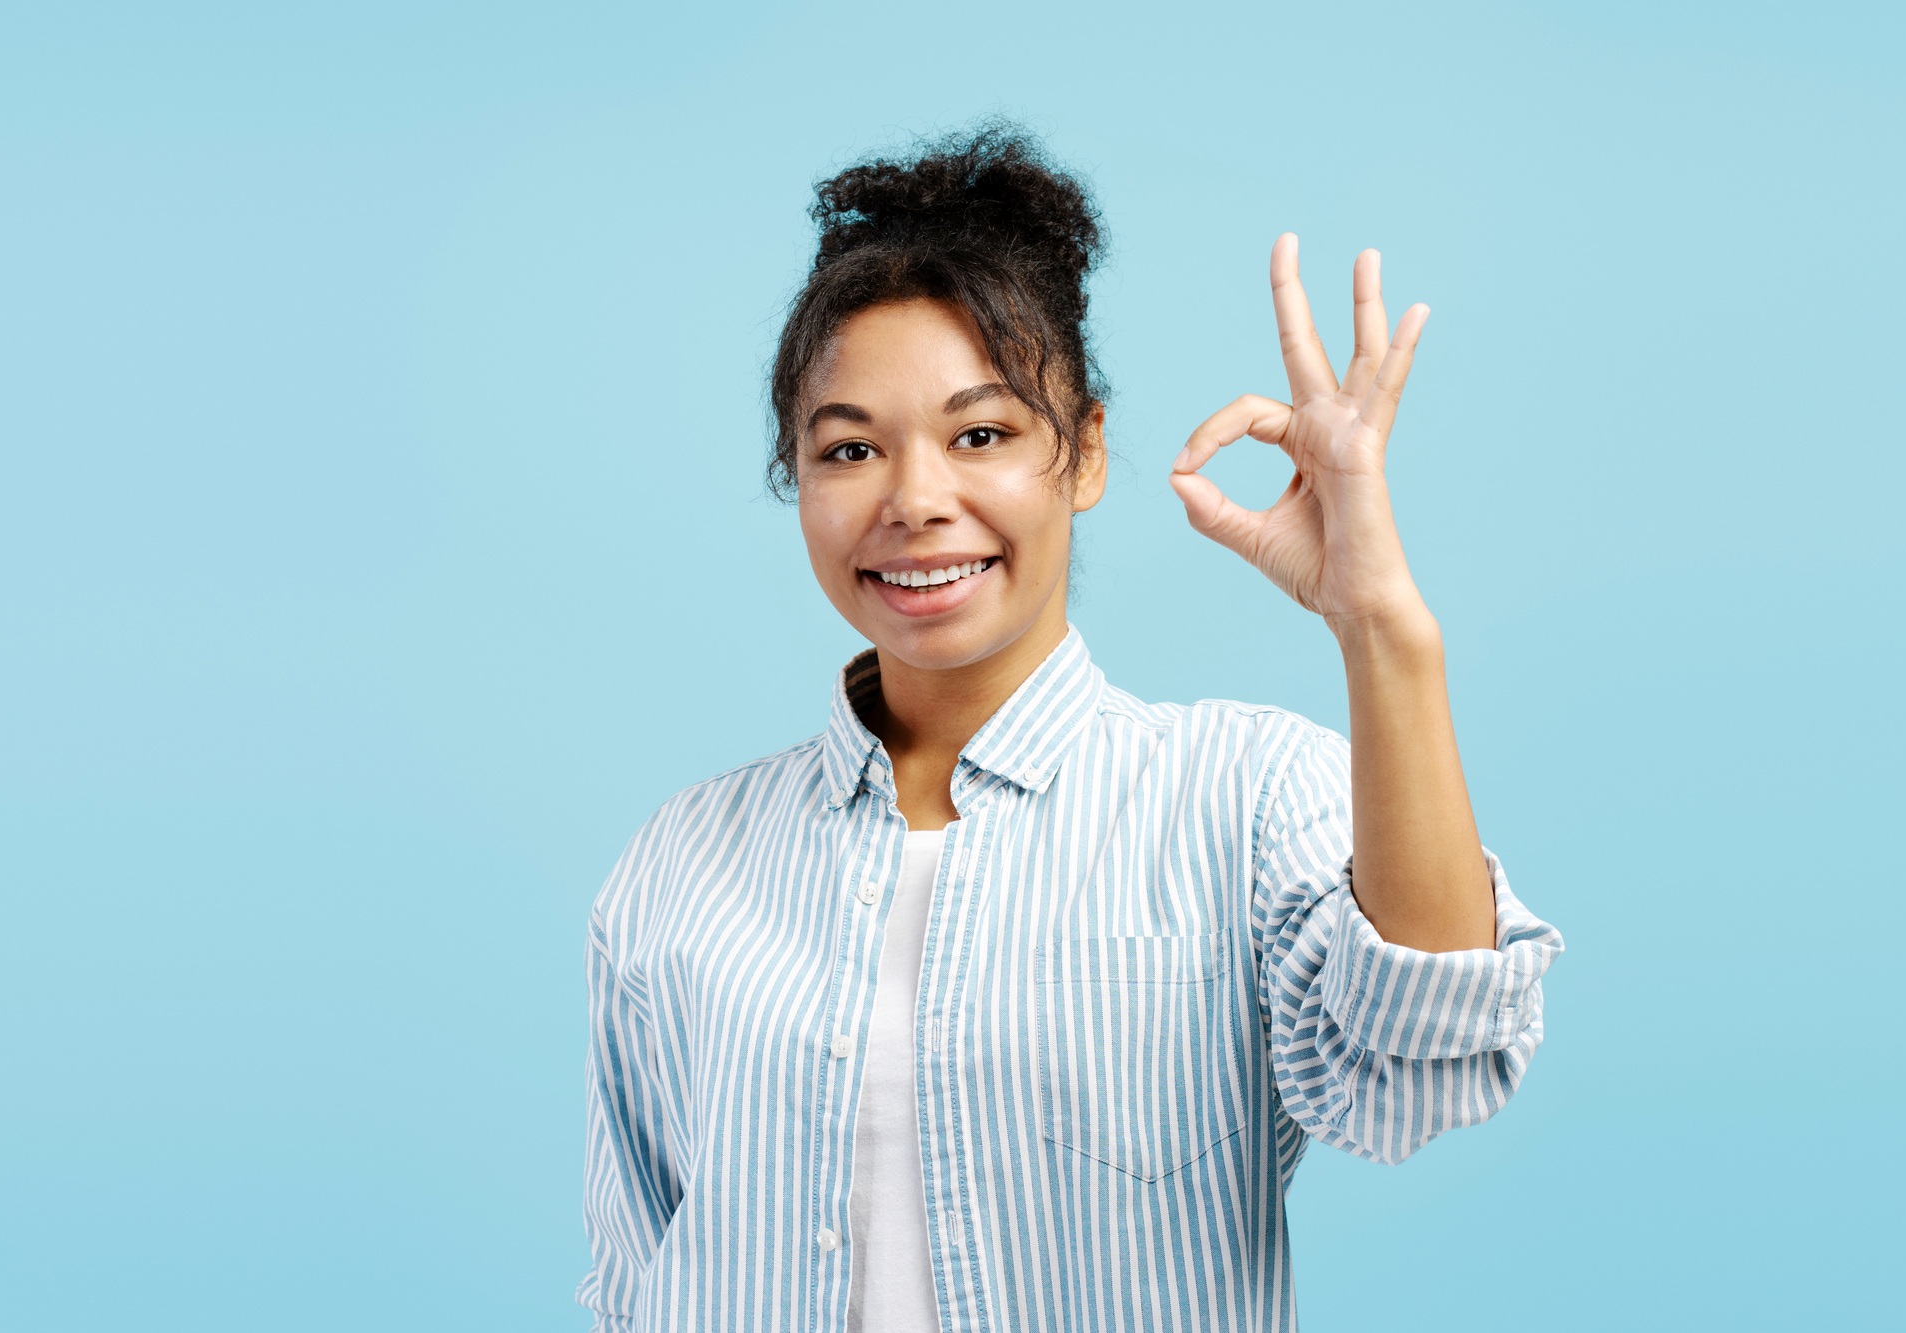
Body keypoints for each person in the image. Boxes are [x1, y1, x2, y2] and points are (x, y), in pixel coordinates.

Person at [578, 123, 1563, 1333]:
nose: (915, 499)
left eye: (979, 433)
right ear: (797, 479)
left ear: (1084, 452)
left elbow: (1428, 1058)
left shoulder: (1240, 796)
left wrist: (1379, 627)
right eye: (849, 448)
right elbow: (633, 1282)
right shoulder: (680, 859)